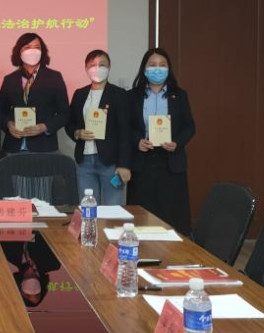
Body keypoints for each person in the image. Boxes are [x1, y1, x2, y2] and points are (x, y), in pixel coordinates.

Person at [128, 47, 196, 233]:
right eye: (152, 65)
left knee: (172, 215)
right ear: (144, 69)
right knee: (142, 216)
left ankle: (174, 249)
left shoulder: (179, 95)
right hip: (143, 161)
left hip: (171, 161)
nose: (157, 69)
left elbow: (190, 127)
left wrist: (177, 143)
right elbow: (127, 127)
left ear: (169, 68)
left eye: (162, 65)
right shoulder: (132, 96)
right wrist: (137, 141)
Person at [66, 49, 132, 205]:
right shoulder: (80, 94)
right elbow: (70, 123)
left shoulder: (119, 94)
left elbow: (126, 132)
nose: (97, 68)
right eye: (93, 65)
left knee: (112, 209)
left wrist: (124, 165)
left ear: (109, 67)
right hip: (84, 162)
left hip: (110, 163)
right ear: (86, 68)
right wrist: (77, 133)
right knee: (88, 208)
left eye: (102, 65)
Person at [0, 33, 69, 155]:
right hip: (14, 147)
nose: (32, 51)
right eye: (27, 47)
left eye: (37, 47)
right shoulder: (9, 79)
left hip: (44, 147)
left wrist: (45, 127)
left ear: (42, 51)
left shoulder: (54, 77)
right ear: (19, 51)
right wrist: (9, 125)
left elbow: (65, 113)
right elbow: (0, 112)